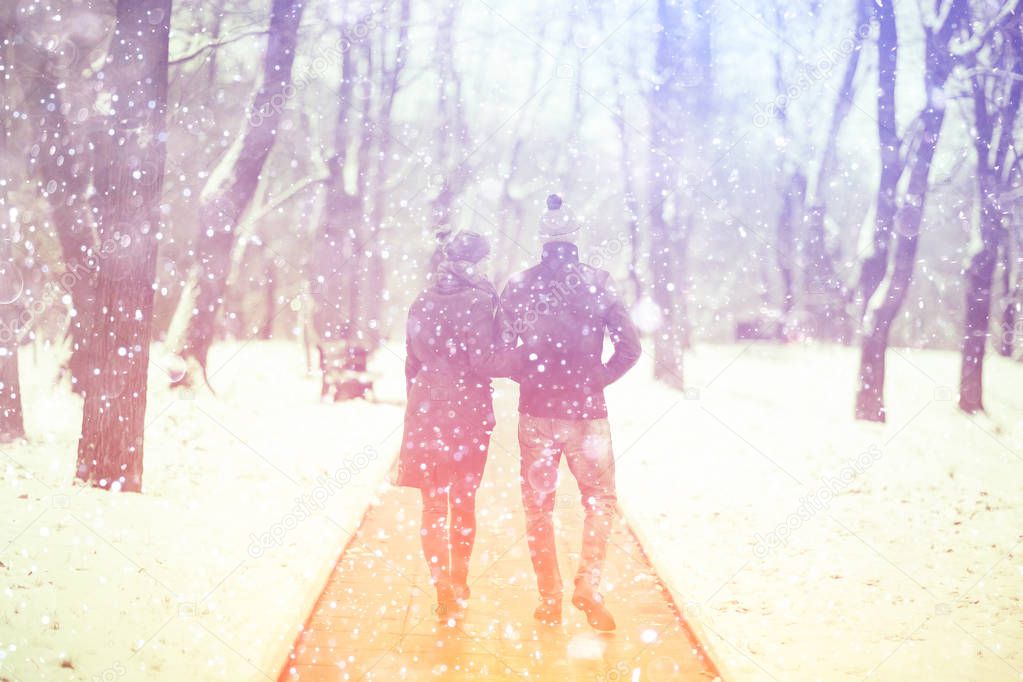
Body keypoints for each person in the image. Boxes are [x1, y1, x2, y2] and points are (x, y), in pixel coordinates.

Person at [498, 194, 641, 631]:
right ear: (577, 238)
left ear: (541, 239)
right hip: (587, 414)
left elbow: (502, 349)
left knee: (538, 507)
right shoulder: (599, 282)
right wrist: (596, 377)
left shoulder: (519, 285)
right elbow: (631, 348)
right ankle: (588, 586)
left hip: (536, 415)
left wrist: (531, 374)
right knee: (600, 500)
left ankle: (549, 599)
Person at [397, 230, 518, 621]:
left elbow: (411, 363)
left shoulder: (421, 301)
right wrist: (513, 353)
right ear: (477, 262)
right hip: (467, 412)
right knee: (463, 502)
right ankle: (459, 581)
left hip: (426, 409)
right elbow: (486, 363)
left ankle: (440, 584)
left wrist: (423, 402)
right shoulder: (482, 302)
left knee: (433, 505)